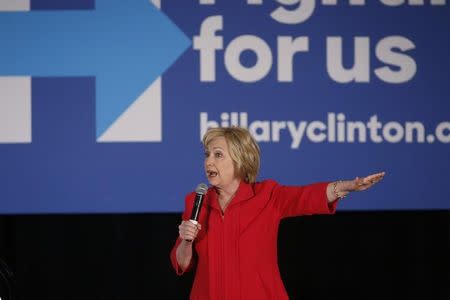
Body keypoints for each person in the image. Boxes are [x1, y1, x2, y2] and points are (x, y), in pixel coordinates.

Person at [170, 126, 385, 300]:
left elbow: (306, 196)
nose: (209, 161)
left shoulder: (267, 195)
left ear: (240, 160)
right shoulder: (196, 201)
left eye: (218, 155)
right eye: (207, 154)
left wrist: (347, 186)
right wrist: (186, 241)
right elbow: (182, 263)